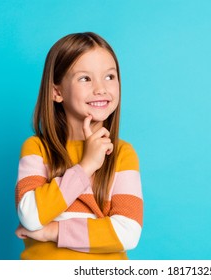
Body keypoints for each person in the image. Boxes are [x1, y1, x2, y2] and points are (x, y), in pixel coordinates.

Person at [14, 32, 143, 260]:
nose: (101, 88)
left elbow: (127, 234)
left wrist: (52, 231)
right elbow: (31, 215)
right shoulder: (36, 149)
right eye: (85, 78)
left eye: (110, 77)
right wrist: (86, 167)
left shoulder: (123, 154)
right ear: (57, 92)